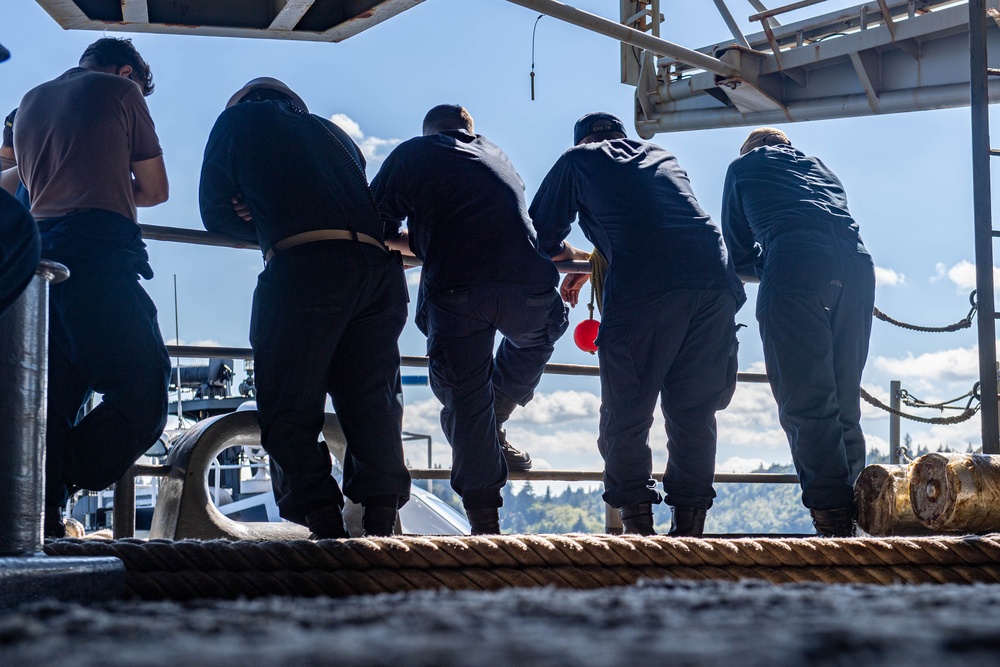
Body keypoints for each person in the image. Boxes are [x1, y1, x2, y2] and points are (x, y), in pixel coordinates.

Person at [200, 77, 411, 538]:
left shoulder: (237, 119)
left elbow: (213, 213)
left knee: (287, 402)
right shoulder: (336, 136)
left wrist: (259, 218)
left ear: (242, 102)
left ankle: (322, 522)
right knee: (372, 402)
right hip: (377, 274)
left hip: (304, 268)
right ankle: (379, 521)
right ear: (297, 106)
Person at [530, 112, 745, 537]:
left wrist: (576, 255)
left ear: (584, 139)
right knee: (693, 412)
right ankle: (690, 532)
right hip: (715, 281)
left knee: (626, 413)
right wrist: (598, 258)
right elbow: (659, 221)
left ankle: (638, 531)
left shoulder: (579, 158)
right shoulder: (662, 155)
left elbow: (539, 233)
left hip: (647, 287)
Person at [371, 104, 567, 534]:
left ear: (428, 131)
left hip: (457, 289)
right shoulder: (497, 154)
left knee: (465, 399)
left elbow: (372, 225)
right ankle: (493, 413)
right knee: (542, 331)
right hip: (528, 287)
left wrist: (421, 242)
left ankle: (485, 522)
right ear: (470, 130)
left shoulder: (414, 153)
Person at [14, 37, 171, 538]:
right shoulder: (122, 93)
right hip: (97, 251)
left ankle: (42, 517)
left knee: (52, 399)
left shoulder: (30, 101)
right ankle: (68, 475)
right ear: (127, 72)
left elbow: (18, 183)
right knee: (143, 387)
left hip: (35, 259)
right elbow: (156, 191)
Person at [721, 127, 876, 538]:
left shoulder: (742, 168)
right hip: (857, 266)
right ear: (788, 146)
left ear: (749, 149)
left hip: (795, 264)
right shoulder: (820, 167)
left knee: (806, 401)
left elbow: (737, 254)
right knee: (845, 399)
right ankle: (858, 517)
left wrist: (773, 263)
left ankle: (832, 523)